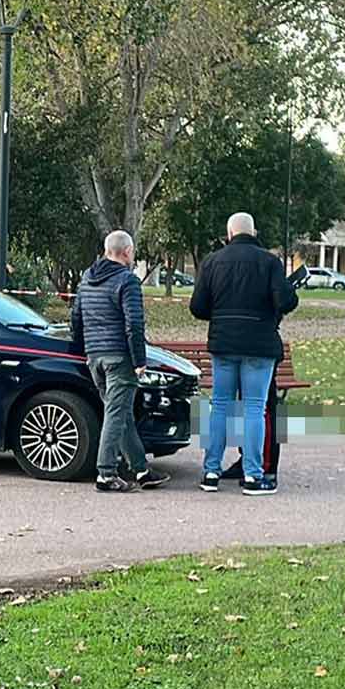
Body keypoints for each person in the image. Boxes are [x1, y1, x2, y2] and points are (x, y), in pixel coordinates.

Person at [189, 212, 297, 496]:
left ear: (229, 234)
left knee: (220, 406)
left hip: (223, 343)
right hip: (260, 345)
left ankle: (211, 472)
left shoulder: (212, 262)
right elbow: (285, 300)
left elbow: (198, 307)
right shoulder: (270, 262)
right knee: (254, 409)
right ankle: (253, 475)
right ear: (255, 231)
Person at [70, 231, 171, 492]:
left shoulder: (86, 279)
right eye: (133, 251)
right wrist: (139, 359)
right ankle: (105, 473)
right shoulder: (127, 281)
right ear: (126, 251)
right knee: (115, 414)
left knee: (122, 413)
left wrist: (83, 350)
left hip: (95, 356)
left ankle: (141, 470)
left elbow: (76, 318)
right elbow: (134, 323)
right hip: (119, 357)